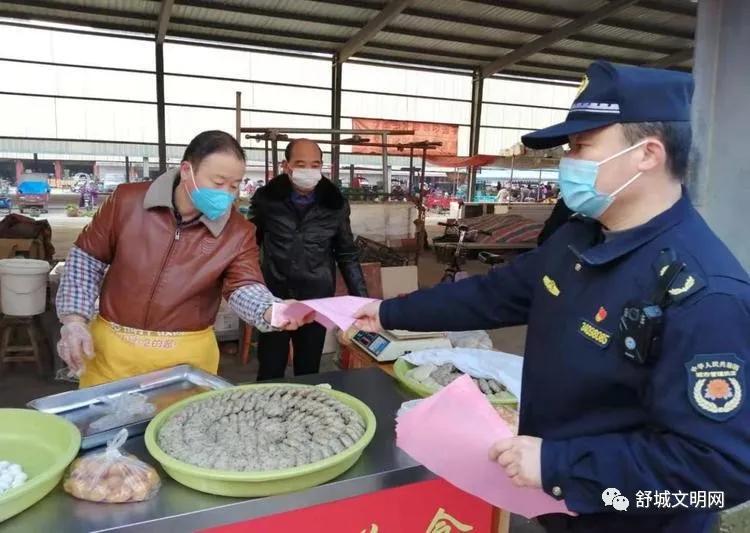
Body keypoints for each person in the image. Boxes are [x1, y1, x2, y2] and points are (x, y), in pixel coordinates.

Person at [354, 61, 750, 532]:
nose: (569, 161)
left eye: (582, 146)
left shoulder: (703, 294)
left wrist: (561, 464)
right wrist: (388, 311)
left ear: (647, 154)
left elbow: (721, 469)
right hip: (560, 508)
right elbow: (493, 294)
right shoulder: (579, 240)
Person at [56, 130, 308, 387]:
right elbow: (86, 260)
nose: (227, 194)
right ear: (187, 170)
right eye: (218, 182)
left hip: (186, 364)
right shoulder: (126, 201)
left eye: (234, 185)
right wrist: (74, 321)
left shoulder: (238, 231)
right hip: (112, 355)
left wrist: (270, 310)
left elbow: (244, 286)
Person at [249, 139, 368, 380]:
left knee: (309, 369)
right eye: (301, 164)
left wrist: (363, 302)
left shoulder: (335, 205)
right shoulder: (267, 200)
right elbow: (250, 247)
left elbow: (346, 253)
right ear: (286, 165)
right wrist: (253, 290)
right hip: (274, 297)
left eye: (315, 165)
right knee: (270, 368)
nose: (309, 170)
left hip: (316, 299)